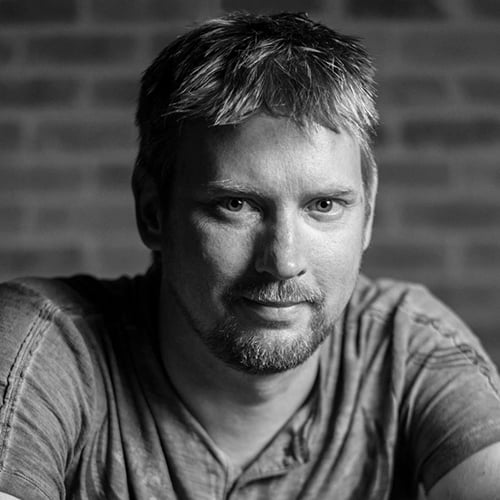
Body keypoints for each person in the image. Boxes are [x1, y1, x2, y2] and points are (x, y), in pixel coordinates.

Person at [0, 11, 499, 500]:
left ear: (366, 213)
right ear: (153, 211)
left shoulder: (405, 345)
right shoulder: (45, 348)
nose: (283, 262)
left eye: (324, 205)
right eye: (235, 205)